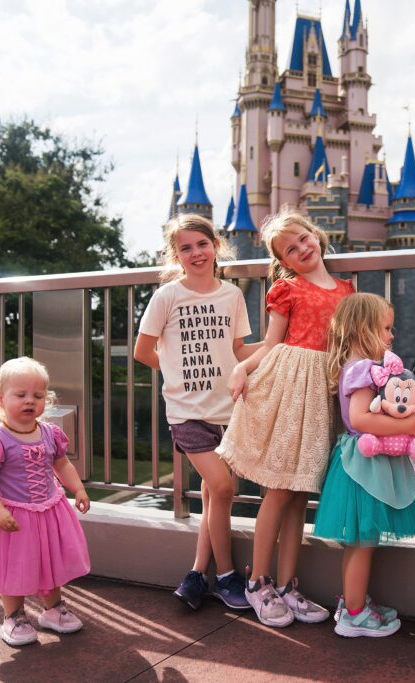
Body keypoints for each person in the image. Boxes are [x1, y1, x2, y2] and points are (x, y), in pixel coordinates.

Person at [217, 209, 354, 627]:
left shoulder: (347, 291)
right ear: (286, 262)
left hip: (323, 393)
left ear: (316, 234)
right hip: (290, 389)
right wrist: (242, 368)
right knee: (278, 490)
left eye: (303, 239)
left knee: (299, 494)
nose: (301, 249)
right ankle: (258, 582)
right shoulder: (287, 289)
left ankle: (288, 584)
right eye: (290, 250)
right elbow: (272, 345)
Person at [134, 214, 253, 612]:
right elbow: (142, 350)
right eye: (185, 248)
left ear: (215, 245)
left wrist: (280, 347)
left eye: (201, 244)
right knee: (222, 489)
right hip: (186, 413)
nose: (196, 253)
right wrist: (177, 377)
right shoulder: (167, 296)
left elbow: (238, 351)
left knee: (211, 495)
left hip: (230, 410)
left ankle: (197, 574)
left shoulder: (232, 296)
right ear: (175, 255)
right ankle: (226, 576)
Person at [313, 294, 415, 637]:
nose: (392, 335)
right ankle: (353, 615)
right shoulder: (361, 369)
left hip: (369, 462)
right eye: (386, 328)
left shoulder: (364, 366)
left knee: (362, 542)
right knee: (362, 542)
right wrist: (406, 427)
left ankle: (354, 602)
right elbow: (358, 418)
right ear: (363, 329)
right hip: (364, 465)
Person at [0, 357, 91, 647]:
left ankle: (53, 609)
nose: (30, 401)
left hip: (47, 511)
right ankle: (13, 616)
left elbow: (62, 465)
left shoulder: (49, 433)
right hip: (13, 516)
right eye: (21, 395)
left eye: (38, 395)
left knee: (49, 562)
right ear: (0, 399)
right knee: (14, 568)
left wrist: (78, 489)